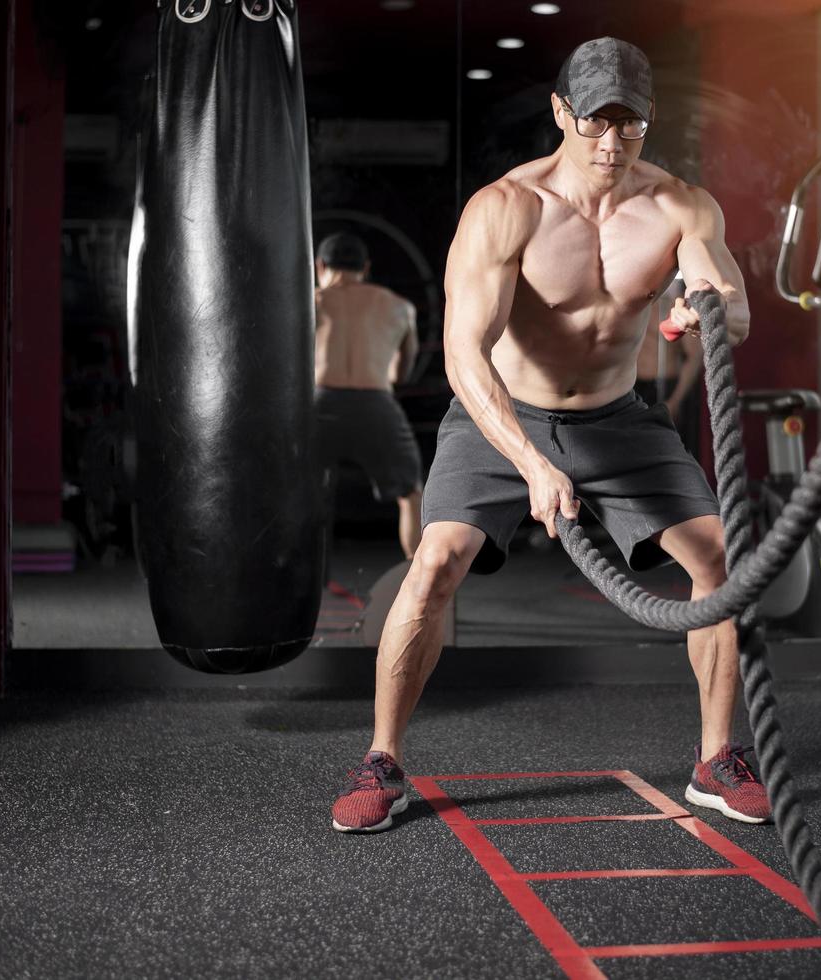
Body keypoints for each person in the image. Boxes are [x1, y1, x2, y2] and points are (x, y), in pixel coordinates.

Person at [331, 37, 765, 834]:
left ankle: (715, 760)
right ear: (561, 113)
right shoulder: (508, 208)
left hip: (618, 417)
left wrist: (705, 301)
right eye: (595, 121)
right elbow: (464, 354)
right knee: (434, 564)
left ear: (648, 120)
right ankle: (382, 760)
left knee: (720, 562)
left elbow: (731, 304)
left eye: (629, 124)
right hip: (504, 412)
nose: (611, 143)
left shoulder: (680, 205)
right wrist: (529, 462)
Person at [313, 231, 425, 560]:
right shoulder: (400, 307)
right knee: (410, 494)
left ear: (321, 265)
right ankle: (420, 589)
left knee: (297, 495)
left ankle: (287, 584)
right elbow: (401, 373)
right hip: (376, 403)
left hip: (319, 403)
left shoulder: (309, 301)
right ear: (366, 266)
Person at [634, 278, 704, 456]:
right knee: (637, 452)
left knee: (668, 450)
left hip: (665, 387)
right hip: (633, 388)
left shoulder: (676, 309)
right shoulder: (635, 305)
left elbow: (695, 356)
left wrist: (675, 399)